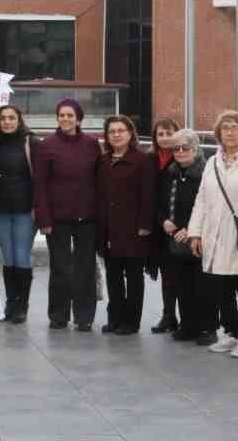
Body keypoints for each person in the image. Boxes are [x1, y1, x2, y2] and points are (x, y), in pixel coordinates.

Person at [188, 110, 238, 360]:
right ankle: (231, 332)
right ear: (218, 134)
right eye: (225, 128)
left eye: (235, 127)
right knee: (221, 288)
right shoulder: (212, 163)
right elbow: (201, 199)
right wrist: (195, 233)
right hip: (213, 235)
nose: (230, 132)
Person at [32, 98, 100, 331]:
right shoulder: (47, 145)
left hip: (87, 217)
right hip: (57, 218)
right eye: (62, 115)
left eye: (70, 115)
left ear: (79, 118)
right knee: (60, 268)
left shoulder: (92, 144)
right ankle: (58, 315)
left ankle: (84, 316)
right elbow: (39, 184)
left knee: (85, 267)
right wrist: (44, 218)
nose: (65, 119)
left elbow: (98, 180)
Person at [96, 114, 157, 335]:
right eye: (112, 131)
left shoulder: (143, 160)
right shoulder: (102, 161)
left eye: (121, 130)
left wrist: (144, 225)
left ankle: (131, 321)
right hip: (108, 228)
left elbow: (148, 195)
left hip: (133, 228)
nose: (116, 135)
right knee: (113, 276)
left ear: (130, 133)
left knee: (133, 276)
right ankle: (115, 318)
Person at [159, 128, 215, 345]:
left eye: (185, 147)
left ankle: (208, 328)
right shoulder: (171, 172)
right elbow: (161, 202)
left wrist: (190, 230)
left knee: (203, 286)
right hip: (175, 237)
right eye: (176, 148)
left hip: (199, 237)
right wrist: (164, 220)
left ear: (195, 149)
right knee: (181, 284)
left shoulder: (205, 172)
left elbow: (208, 206)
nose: (180, 152)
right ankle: (188, 325)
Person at [0, 105, 35, 324]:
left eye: (11, 118)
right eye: (2, 118)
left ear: (19, 119)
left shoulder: (30, 142)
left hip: (25, 205)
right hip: (1, 205)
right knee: (8, 256)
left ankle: (22, 305)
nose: (6, 122)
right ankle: (10, 302)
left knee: (22, 255)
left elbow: (41, 175)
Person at [148, 117, 183, 334]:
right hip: (160, 225)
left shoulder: (182, 158)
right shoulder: (150, 160)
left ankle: (188, 317)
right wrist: (161, 220)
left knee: (180, 275)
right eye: (160, 134)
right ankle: (169, 315)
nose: (164, 138)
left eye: (168, 133)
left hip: (181, 226)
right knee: (166, 274)